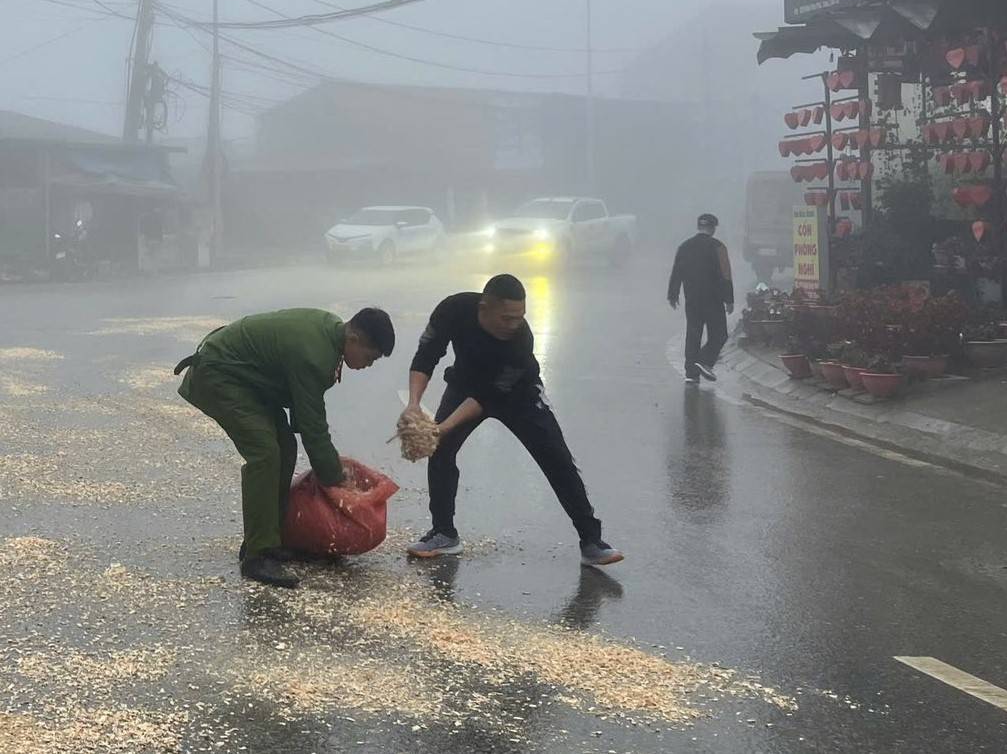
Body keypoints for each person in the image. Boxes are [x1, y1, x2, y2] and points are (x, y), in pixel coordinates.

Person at [400, 274, 623, 567]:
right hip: (464, 383)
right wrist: (414, 406)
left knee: (557, 458)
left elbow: (485, 397)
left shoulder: (521, 339)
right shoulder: (452, 310)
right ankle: (444, 534)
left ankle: (591, 540)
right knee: (441, 452)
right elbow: (426, 356)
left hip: (519, 394)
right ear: (484, 308)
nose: (513, 324)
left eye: (519, 317)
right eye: (506, 318)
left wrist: (440, 428)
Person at [175, 307, 396, 588]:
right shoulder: (315, 354)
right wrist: (336, 477)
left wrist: (329, 469)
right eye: (370, 357)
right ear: (353, 338)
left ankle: (268, 537)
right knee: (265, 453)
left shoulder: (330, 335)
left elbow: (306, 414)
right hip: (219, 374)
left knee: (285, 447)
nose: (368, 365)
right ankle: (257, 556)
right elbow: (312, 425)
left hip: (248, 381)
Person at [668, 213, 735, 383]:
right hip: (713, 300)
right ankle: (704, 360)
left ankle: (691, 374)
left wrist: (673, 294)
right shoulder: (719, 247)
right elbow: (725, 275)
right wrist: (729, 299)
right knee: (719, 334)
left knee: (693, 334)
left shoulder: (684, 247)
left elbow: (677, 271)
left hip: (692, 299)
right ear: (712, 228)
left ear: (699, 227)